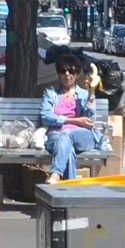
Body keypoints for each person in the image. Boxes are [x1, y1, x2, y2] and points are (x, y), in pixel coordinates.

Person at [40, 51, 101, 183]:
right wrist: (73, 120)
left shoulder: (84, 94)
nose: (67, 75)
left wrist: (91, 94)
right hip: (56, 135)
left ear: (78, 74)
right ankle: (69, 190)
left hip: (83, 136)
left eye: (71, 71)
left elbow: (90, 121)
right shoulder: (51, 92)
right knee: (68, 149)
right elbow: (45, 117)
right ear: (58, 74)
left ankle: (55, 174)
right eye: (63, 71)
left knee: (67, 134)